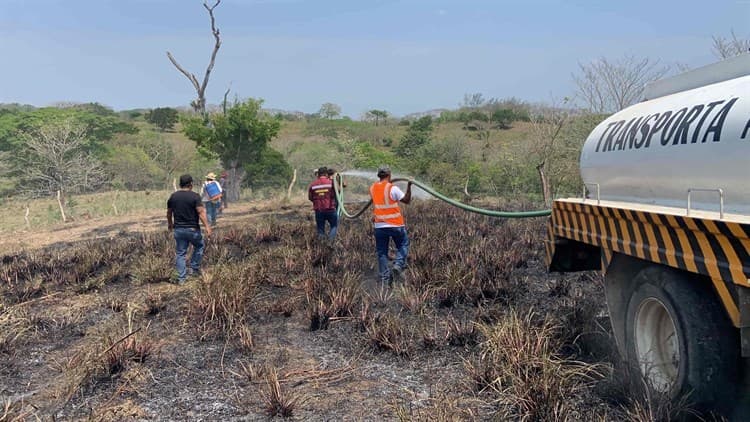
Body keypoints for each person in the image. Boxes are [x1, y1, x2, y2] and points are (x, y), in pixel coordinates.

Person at [370, 165, 412, 284]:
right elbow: (407, 200)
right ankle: (398, 265)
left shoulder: (372, 188)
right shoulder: (392, 188)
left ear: (379, 176)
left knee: (382, 252)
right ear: (389, 175)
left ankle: (385, 279)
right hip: (395, 224)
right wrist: (409, 186)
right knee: (403, 244)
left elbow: (378, 203)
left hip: (379, 226)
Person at [167, 174, 212, 285]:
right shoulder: (195, 196)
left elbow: (169, 213)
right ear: (191, 184)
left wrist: (170, 224)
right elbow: (201, 212)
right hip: (192, 230)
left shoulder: (173, 196)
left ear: (180, 184)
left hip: (179, 230)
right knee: (199, 246)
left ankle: (181, 279)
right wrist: (207, 226)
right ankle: (194, 268)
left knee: (181, 253)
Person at [308, 166, 338, 240]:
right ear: (326, 174)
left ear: (318, 174)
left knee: (320, 229)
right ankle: (330, 242)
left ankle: (322, 246)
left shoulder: (313, 184)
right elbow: (339, 190)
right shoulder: (331, 183)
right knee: (334, 226)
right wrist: (335, 179)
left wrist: (318, 201)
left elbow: (310, 197)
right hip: (330, 209)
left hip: (319, 210)